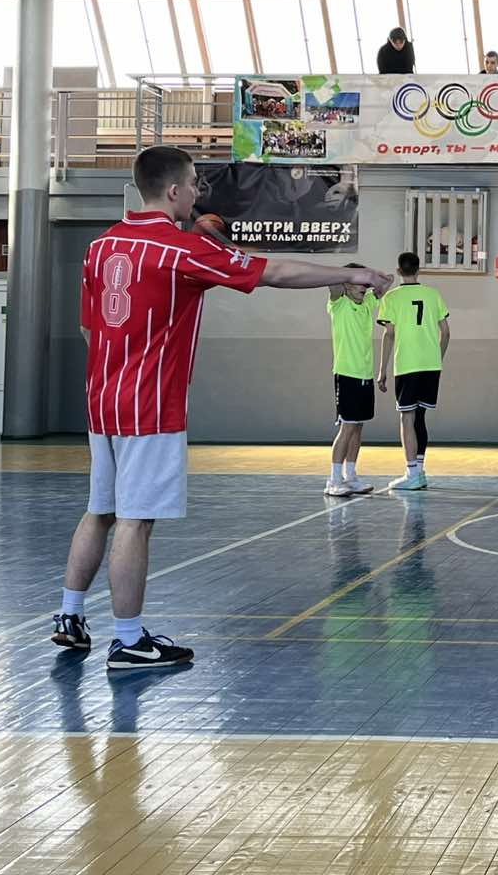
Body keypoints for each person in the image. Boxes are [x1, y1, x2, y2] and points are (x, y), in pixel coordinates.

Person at [55, 145, 391, 669]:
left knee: (101, 511)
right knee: (136, 522)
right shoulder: (180, 249)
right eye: (193, 184)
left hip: (103, 401)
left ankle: (70, 615)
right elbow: (275, 271)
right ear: (173, 191)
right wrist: (360, 274)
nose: (197, 193)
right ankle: (129, 639)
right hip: (150, 406)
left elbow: (87, 327)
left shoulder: (101, 247)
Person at [376, 252, 449, 492]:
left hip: (407, 365)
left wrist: (382, 370)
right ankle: (420, 471)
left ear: (399, 271)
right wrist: (437, 358)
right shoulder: (433, 294)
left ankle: (411, 474)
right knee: (420, 418)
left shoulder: (391, 298)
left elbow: (389, 334)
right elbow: (446, 332)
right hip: (431, 366)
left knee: (406, 417)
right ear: (418, 270)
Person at [325, 263, 378, 498]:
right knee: (347, 427)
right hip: (347, 374)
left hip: (365, 375)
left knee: (358, 427)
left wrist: (371, 277)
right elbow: (332, 283)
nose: (364, 287)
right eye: (359, 283)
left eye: (365, 284)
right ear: (347, 284)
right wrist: (348, 275)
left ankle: (351, 476)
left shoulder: (366, 304)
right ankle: (333, 480)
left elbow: (386, 283)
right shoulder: (339, 304)